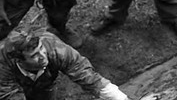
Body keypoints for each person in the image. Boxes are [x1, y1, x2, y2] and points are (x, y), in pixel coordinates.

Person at [0, 29, 131, 100]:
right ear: (19, 60)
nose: (42, 56)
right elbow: (7, 94)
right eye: (34, 55)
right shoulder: (3, 67)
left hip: (44, 81)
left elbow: (85, 74)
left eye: (41, 48)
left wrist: (119, 97)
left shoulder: (56, 49)